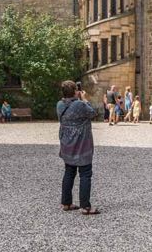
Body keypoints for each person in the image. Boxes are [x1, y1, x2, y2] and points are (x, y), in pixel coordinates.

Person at [57, 80, 99, 215]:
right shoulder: (80, 105)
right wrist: (85, 99)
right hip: (81, 145)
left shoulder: (59, 105)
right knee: (85, 174)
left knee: (69, 172)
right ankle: (85, 206)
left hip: (67, 144)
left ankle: (66, 203)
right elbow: (92, 113)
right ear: (75, 91)